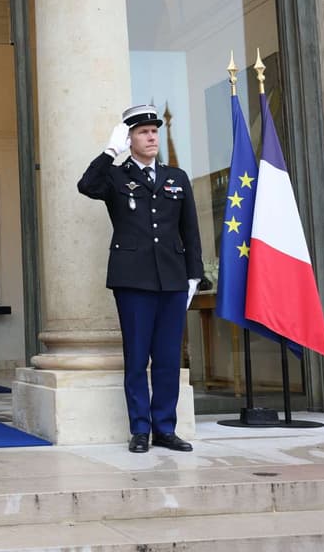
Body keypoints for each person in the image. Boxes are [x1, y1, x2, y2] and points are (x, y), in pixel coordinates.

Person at [77, 104, 203, 454]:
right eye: (143, 132)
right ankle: (140, 430)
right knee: (137, 359)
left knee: (167, 359)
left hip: (173, 280)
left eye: (154, 131)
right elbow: (86, 185)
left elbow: (189, 229)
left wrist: (194, 275)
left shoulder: (176, 178)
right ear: (129, 137)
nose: (151, 137)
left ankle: (165, 428)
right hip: (133, 281)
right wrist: (109, 151)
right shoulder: (115, 176)